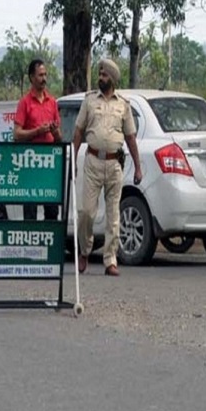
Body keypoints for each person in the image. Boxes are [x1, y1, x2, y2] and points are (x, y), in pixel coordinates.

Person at [72, 59, 142, 276]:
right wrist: (73, 159)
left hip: (114, 163)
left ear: (112, 78)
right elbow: (78, 131)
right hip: (92, 162)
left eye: (104, 75)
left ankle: (110, 260)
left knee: (113, 215)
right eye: (99, 74)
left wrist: (138, 168)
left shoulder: (123, 104)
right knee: (86, 212)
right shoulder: (89, 100)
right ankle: (84, 250)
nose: (100, 78)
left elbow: (130, 137)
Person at [14, 59, 63, 221]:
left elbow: (59, 138)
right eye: (40, 75)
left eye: (45, 75)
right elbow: (17, 134)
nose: (44, 79)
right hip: (31, 166)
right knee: (30, 212)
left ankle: (50, 245)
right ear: (31, 78)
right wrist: (37, 131)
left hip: (49, 166)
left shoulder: (53, 102)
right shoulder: (24, 103)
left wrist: (55, 133)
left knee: (52, 212)